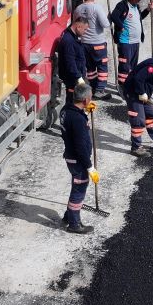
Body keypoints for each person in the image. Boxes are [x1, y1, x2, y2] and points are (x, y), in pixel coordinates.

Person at [60, 81, 97, 234]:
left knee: (76, 186)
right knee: (79, 189)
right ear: (86, 100)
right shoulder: (78, 120)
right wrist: (90, 167)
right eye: (90, 98)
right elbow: (81, 147)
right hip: (78, 160)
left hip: (70, 155)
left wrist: (85, 112)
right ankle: (74, 224)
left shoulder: (66, 109)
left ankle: (68, 216)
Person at [110, 0, 153, 95]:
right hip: (125, 42)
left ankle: (130, 84)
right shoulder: (122, 5)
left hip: (135, 42)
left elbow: (140, 18)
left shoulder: (136, 6)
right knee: (124, 66)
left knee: (133, 66)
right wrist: (121, 26)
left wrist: (147, 10)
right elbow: (114, 16)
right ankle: (122, 86)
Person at [74, 0, 112, 100]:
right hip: (98, 43)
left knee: (90, 68)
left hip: (84, 43)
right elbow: (105, 24)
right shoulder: (96, 7)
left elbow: (76, 24)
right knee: (102, 67)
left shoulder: (78, 9)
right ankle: (100, 90)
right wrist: (109, 18)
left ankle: (93, 87)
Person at [54, 10, 91, 91]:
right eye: (85, 30)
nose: (85, 32)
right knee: (73, 101)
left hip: (75, 77)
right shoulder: (69, 41)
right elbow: (70, 62)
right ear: (78, 27)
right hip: (72, 81)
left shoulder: (72, 37)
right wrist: (78, 77)